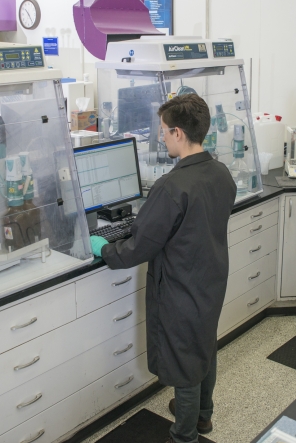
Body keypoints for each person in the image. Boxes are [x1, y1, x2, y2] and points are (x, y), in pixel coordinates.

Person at [89, 94, 236, 443]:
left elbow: (140, 245)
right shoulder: (220, 173)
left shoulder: (171, 187)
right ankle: (203, 417)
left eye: (164, 132)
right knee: (203, 347)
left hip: (180, 286)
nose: (161, 138)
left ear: (179, 133)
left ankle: (183, 435)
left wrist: (105, 248)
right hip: (210, 279)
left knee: (184, 362)